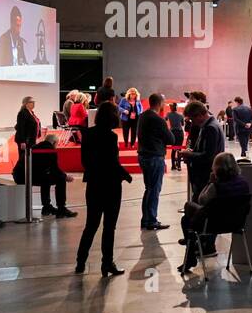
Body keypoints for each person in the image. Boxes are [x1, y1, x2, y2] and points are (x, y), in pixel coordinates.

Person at [75, 102, 132, 275]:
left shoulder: (88, 134)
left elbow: (85, 161)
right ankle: (106, 263)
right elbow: (112, 162)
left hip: (94, 184)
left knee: (91, 225)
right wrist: (126, 175)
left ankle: (80, 262)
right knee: (109, 227)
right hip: (111, 185)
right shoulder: (111, 136)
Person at [178, 153, 251, 275]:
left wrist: (209, 182)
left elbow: (201, 200)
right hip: (236, 223)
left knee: (187, 215)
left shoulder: (216, 186)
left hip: (213, 224)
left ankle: (190, 248)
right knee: (188, 217)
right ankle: (191, 246)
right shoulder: (244, 183)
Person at [12, 133, 76, 218]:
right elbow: (54, 169)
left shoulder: (35, 147)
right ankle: (61, 208)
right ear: (54, 143)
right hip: (27, 177)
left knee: (46, 178)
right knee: (60, 179)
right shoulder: (50, 150)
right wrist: (65, 176)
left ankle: (47, 207)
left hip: (19, 176)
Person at [137, 93, 171, 231]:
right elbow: (171, 139)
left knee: (149, 189)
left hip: (143, 155)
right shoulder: (158, 119)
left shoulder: (143, 116)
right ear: (160, 103)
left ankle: (145, 219)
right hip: (154, 157)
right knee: (154, 189)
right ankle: (151, 220)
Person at [181, 100, 225, 202]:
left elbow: (208, 156)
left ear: (199, 115)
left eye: (192, 119)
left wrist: (190, 154)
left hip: (205, 175)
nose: (193, 123)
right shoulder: (210, 125)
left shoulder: (210, 128)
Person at [166, 102, 186, 170]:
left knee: (173, 150)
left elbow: (165, 119)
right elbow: (183, 124)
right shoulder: (180, 115)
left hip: (173, 133)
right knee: (179, 150)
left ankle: (173, 165)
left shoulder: (168, 114)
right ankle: (179, 166)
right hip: (180, 133)